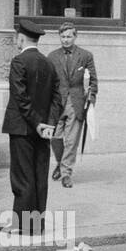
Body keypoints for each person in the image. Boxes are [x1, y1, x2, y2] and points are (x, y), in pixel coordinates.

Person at [2, 19, 62, 236]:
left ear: (21, 38)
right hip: (43, 129)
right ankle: (37, 224)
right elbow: (58, 97)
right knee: (39, 174)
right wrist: (49, 124)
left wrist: (36, 123)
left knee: (22, 176)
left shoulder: (19, 62)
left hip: (23, 127)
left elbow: (21, 97)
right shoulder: (48, 63)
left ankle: (23, 225)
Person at [46, 21, 98, 189]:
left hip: (76, 102)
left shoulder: (85, 56)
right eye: (63, 36)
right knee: (55, 137)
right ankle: (61, 163)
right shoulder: (52, 57)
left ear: (75, 37)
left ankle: (66, 173)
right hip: (56, 102)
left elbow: (93, 81)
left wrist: (91, 100)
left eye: (69, 36)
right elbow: (47, 81)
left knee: (71, 140)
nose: (66, 40)